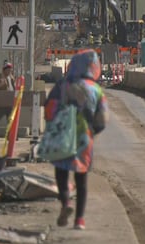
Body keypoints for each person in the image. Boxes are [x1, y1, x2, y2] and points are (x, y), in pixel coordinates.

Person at [43, 49, 109, 230]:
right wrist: (91, 131)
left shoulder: (62, 86)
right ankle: (79, 220)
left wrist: (53, 126)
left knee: (61, 174)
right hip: (84, 137)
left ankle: (66, 203)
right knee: (81, 180)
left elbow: (49, 109)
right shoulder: (96, 89)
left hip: (62, 135)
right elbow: (102, 120)